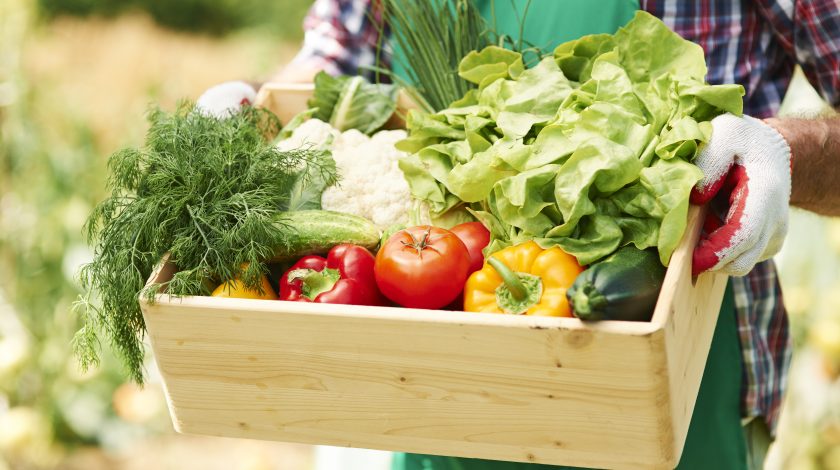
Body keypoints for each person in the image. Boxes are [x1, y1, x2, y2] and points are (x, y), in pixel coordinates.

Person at [197, 1, 840, 468]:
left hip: (677, 365)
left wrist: (788, 151)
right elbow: (333, 65)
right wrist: (250, 101)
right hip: (413, 374)